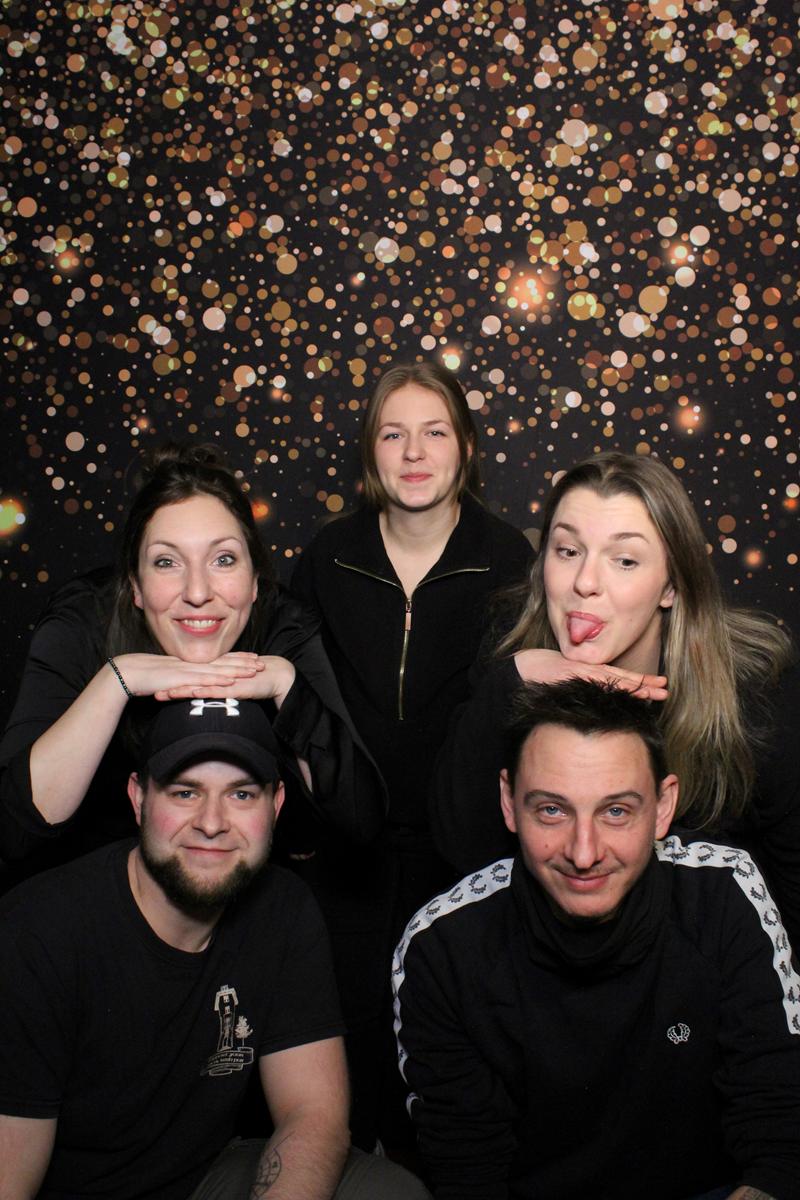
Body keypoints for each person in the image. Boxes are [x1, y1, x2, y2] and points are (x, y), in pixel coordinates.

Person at [0, 697, 431, 1200]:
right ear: (139, 799)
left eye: (241, 794)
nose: (212, 822)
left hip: (204, 1177)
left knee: (390, 1190)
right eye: (185, 792)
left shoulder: (283, 908)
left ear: (276, 805)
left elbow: (313, 1112)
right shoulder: (37, 931)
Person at [394, 678, 800, 1200]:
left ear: (663, 807)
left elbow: (780, 1136)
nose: (583, 853)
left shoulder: (723, 894)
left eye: (616, 812)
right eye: (552, 810)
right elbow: (469, 1174)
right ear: (508, 803)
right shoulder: (440, 948)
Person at [290, 361, 533, 1145]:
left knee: (452, 1063)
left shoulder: (509, 562)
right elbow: (293, 704)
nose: (415, 453)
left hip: (464, 854)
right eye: (394, 435)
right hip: (345, 857)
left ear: (466, 446)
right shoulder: (330, 556)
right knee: (344, 1063)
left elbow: (517, 719)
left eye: (435, 432)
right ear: (371, 452)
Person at [430, 450, 799, 944]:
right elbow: (461, 853)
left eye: (624, 560)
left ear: (671, 586)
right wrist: (512, 681)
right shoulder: (508, 649)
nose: (585, 583)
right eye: (567, 551)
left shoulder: (754, 690)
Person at [0, 443, 386, 881]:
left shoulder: (285, 628)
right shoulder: (82, 623)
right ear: (136, 585)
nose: (198, 592)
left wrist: (287, 687)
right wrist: (115, 682)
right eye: (167, 562)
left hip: (244, 889)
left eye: (223, 559)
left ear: (255, 581)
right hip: (95, 886)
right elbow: (13, 833)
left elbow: (362, 822)